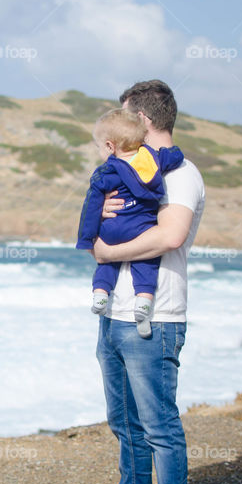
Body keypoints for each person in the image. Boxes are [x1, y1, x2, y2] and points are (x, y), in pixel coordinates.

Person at [81, 80, 206, 484]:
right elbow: (100, 224)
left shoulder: (180, 174)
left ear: (145, 122)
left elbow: (170, 236)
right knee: (124, 420)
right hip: (114, 313)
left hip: (156, 315)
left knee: (159, 425)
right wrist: (99, 227)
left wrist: (106, 252)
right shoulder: (127, 169)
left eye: (125, 115)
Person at [75, 108, 185, 338]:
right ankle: (143, 301)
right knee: (146, 259)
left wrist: (87, 239)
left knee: (106, 264)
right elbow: (175, 155)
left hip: (113, 228)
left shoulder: (105, 172)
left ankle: (100, 293)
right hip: (140, 228)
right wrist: (172, 152)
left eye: (99, 147)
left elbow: (91, 207)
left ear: (110, 146)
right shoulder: (153, 160)